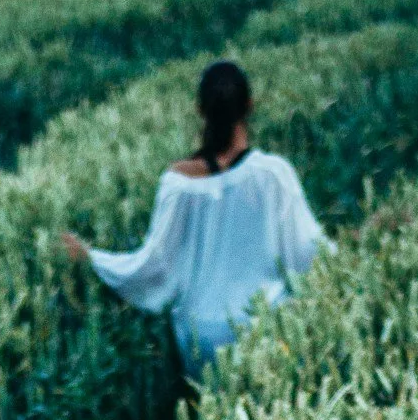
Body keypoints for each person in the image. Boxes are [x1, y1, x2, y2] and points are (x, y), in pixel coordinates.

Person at [61, 59, 326, 372]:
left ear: (200, 110)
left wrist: (92, 258)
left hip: (201, 338)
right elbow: (309, 254)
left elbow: (153, 266)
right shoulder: (274, 174)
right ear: (250, 106)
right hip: (264, 328)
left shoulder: (178, 183)